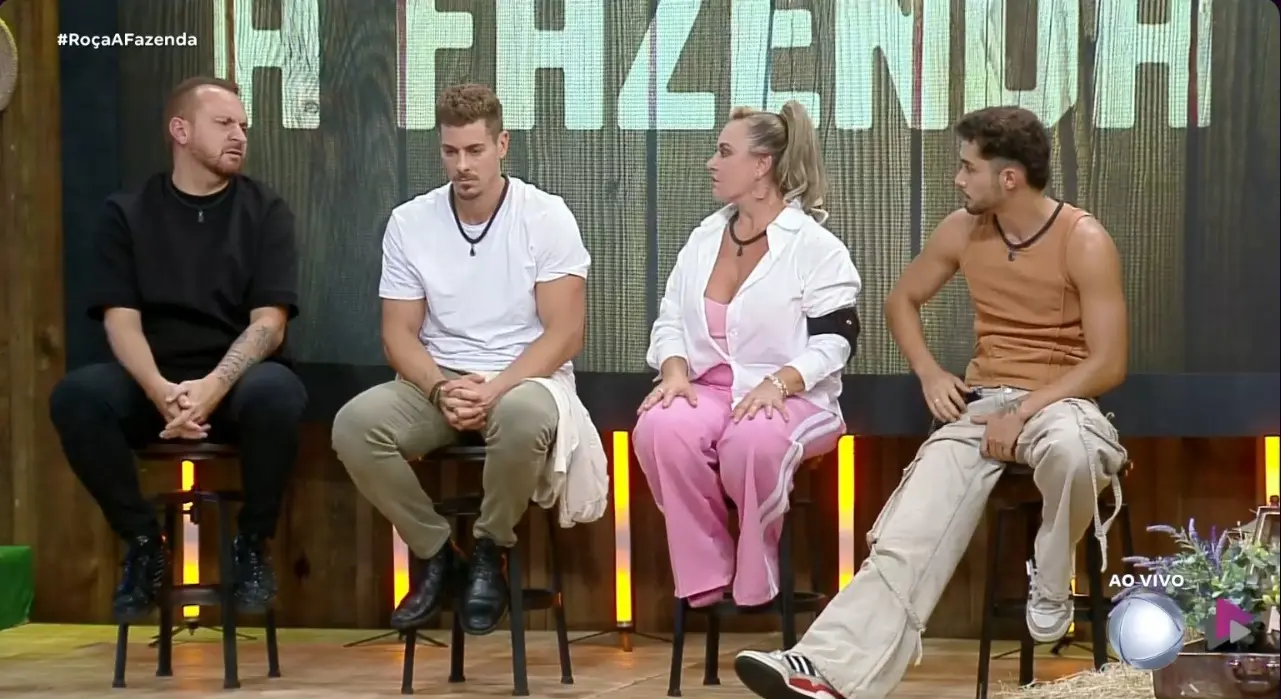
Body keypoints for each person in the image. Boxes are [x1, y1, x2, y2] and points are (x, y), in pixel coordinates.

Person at [734, 106, 1130, 699]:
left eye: (968, 167)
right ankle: (825, 668)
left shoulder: (1084, 239)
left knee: (1076, 451)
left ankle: (1052, 580)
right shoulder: (962, 230)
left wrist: (1023, 412)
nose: (957, 178)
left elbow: (1108, 363)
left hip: (1059, 402)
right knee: (907, 533)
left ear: (1009, 178)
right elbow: (901, 301)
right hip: (982, 405)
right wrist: (929, 373)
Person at [331, 83, 607, 636]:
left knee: (523, 416)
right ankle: (440, 555)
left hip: (525, 377)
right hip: (442, 377)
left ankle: (489, 550)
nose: (462, 165)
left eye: (475, 150)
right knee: (354, 427)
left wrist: (495, 388)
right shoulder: (411, 222)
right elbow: (398, 334)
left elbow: (565, 334)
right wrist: (439, 389)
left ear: (502, 144)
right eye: (450, 151)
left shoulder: (545, 216)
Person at [49, 77, 307, 623]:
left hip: (234, 385)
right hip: (155, 382)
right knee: (77, 397)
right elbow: (120, 321)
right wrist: (160, 392)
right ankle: (145, 545)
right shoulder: (128, 212)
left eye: (244, 126)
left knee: (279, 393)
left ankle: (252, 545)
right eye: (224, 124)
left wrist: (212, 388)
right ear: (180, 130)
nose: (239, 136)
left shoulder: (265, 211)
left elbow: (270, 324)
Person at [633, 101, 860, 610]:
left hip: (794, 396)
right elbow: (671, 319)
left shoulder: (814, 246)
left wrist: (780, 382)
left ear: (762, 165)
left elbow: (836, 341)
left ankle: (757, 574)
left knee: (753, 440)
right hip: (710, 387)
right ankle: (705, 573)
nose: (711, 163)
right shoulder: (703, 238)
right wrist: (673, 372)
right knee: (660, 428)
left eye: (724, 152)